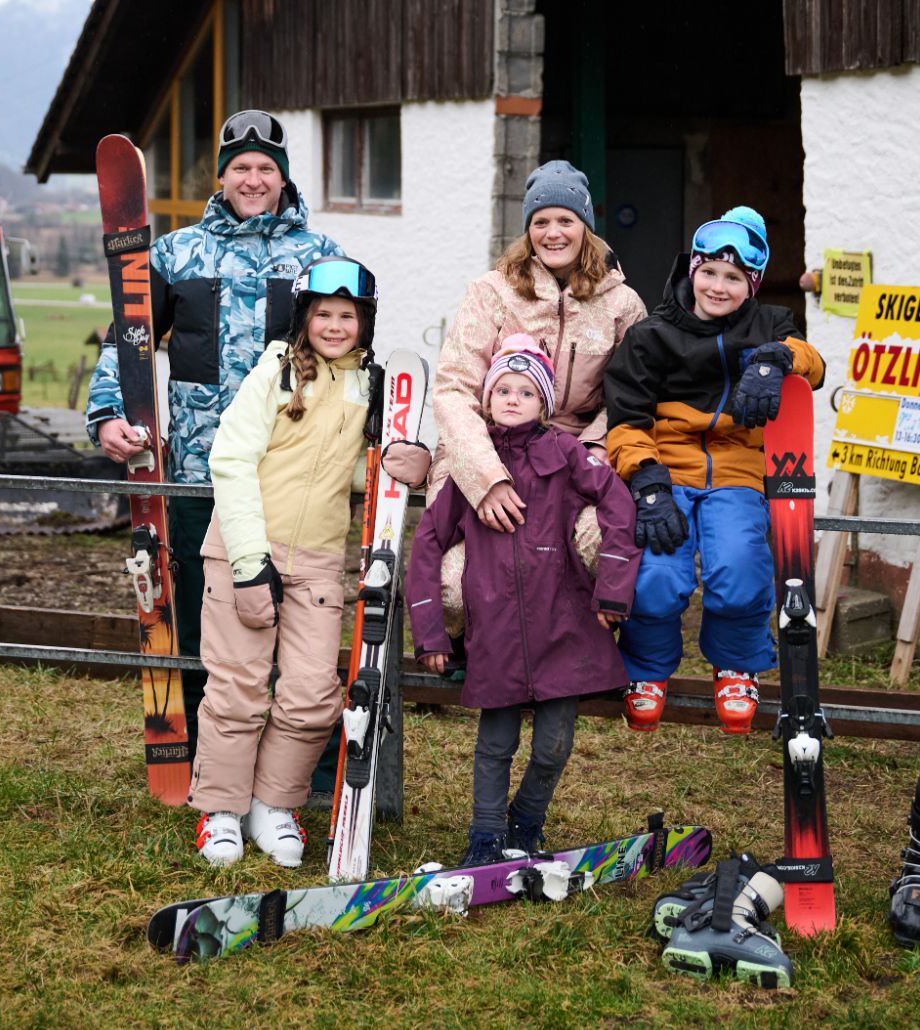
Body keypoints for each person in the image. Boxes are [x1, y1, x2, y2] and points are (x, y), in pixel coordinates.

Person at [85, 110, 344, 754]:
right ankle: (208, 749)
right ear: (221, 177)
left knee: (287, 617)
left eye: (266, 169)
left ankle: (293, 756)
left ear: (282, 179)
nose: (253, 179)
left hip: (289, 478)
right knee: (208, 610)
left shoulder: (320, 257)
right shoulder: (177, 253)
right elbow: (131, 338)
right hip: (201, 473)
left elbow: (349, 355)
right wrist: (108, 412)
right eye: (241, 168)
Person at [406, 339, 640, 864]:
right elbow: (426, 544)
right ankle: (485, 837)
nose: (513, 399)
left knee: (554, 744)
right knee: (495, 745)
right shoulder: (474, 468)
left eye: (528, 391)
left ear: (546, 404)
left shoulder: (565, 454)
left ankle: (526, 824)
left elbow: (618, 504)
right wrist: (431, 633)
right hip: (497, 630)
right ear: (487, 399)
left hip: (564, 623)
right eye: (503, 390)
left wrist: (613, 589)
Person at [603, 206, 826, 734]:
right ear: (691, 271)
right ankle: (647, 671)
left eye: (733, 278)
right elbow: (625, 420)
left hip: (738, 472)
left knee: (741, 569)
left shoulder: (770, 323)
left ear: (751, 284)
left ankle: (736, 667)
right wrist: (647, 481)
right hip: (667, 470)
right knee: (656, 575)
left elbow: (813, 366)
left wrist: (775, 359)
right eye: (709, 273)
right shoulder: (650, 336)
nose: (718, 287)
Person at [188, 256, 378, 867]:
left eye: (347, 315)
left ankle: (272, 804)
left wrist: (395, 458)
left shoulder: (367, 385)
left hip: (319, 559)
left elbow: (346, 473)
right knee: (239, 686)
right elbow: (232, 459)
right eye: (323, 313)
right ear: (303, 317)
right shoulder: (276, 368)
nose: (334, 325)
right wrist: (248, 562)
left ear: (364, 323)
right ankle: (221, 809)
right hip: (246, 546)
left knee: (311, 694)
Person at [428, 160, 647, 670]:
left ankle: (572, 646)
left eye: (565, 220)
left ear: (585, 225)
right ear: (527, 230)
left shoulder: (623, 304)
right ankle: (464, 643)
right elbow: (455, 388)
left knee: (595, 543)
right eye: (541, 221)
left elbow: (632, 393)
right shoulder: (493, 292)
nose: (553, 233)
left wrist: (592, 452)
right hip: (492, 446)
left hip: (570, 456)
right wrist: (486, 478)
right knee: (458, 585)